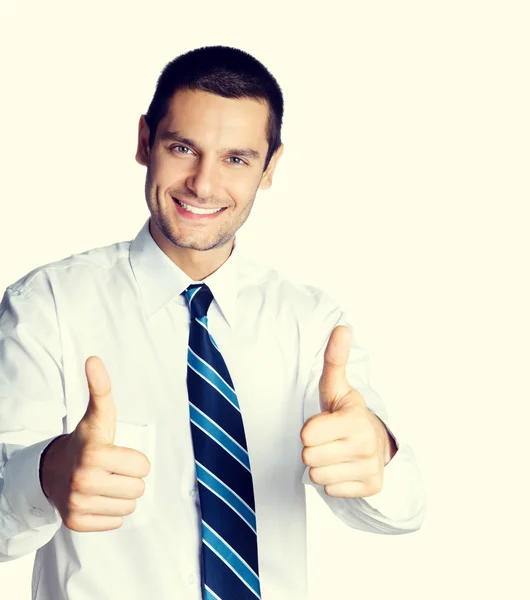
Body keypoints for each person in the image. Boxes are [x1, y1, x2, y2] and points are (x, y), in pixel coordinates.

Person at [0, 45, 425, 600]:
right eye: (182, 148)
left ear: (270, 168)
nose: (203, 184)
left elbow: (401, 512)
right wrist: (44, 477)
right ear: (144, 143)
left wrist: (377, 454)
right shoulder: (47, 305)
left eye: (237, 159)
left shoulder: (310, 323)